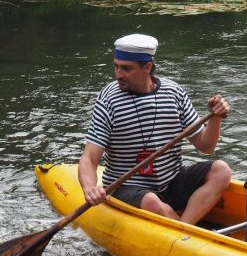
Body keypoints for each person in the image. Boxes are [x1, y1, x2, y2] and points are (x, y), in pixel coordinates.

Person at [78, 33, 231, 224]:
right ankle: (186, 233)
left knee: (222, 170)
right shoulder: (109, 99)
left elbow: (206, 146)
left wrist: (215, 118)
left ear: (147, 67)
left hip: (171, 182)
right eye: (116, 66)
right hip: (128, 187)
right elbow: (90, 159)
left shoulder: (173, 92)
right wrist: (89, 188)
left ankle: (184, 228)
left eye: (126, 68)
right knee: (152, 201)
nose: (118, 74)